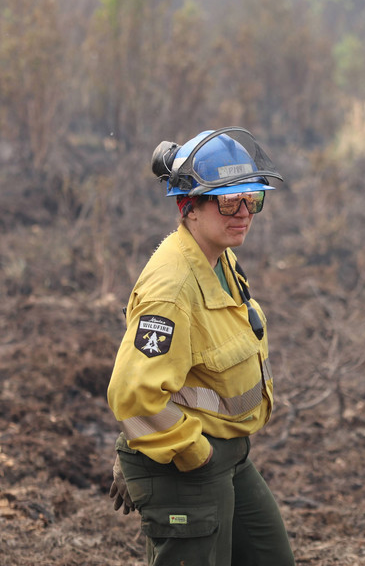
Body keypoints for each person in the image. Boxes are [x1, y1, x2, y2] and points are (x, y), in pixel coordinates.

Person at [106, 127, 295, 566]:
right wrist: (196, 454)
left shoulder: (219, 256)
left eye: (253, 199)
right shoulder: (172, 288)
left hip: (231, 455)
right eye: (229, 201)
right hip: (189, 463)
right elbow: (133, 396)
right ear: (188, 206)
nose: (244, 212)